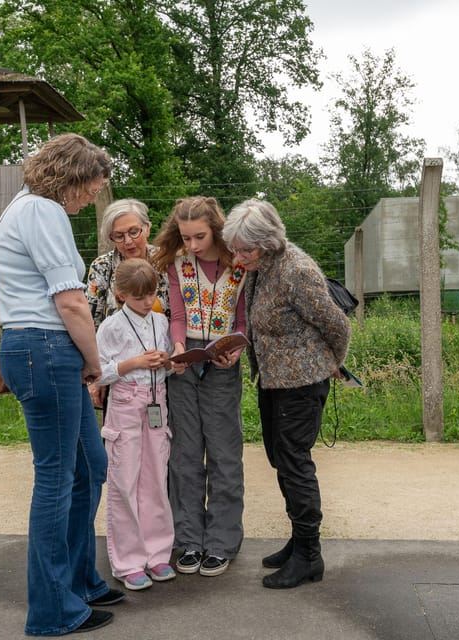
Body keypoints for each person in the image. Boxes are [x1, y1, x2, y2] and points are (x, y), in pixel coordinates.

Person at [0, 133, 121, 635]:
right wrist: (95, 362)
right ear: (70, 178)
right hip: (47, 348)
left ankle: (79, 582)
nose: (91, 199)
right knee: (57, 480)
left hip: (37, 346)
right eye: (90, 189)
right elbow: (70, 301)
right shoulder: (43, 213)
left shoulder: (23, 209)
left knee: (90, 467)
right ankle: (52, 610)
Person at [222, 198, 351, 590]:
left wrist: (332, 362)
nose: (239, 257)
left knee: (295, 462)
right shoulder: (264, 265)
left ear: (269, 241)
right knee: (281, 458)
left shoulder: (296, 270)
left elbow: (337, 325)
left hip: (301, 383)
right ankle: (298, 541)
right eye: (236, 249)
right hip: (274, 380)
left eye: (246, 249)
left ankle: (310, 555)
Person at [150, 196, 247, 578]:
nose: (191, 245)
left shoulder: (240, 263)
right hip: (185, 361)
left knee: (224, 454)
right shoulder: (178, 263)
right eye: (185, 237)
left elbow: (242, 317)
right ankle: (188, 539)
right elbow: (177, 313)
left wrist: (235, 347)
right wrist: (177, 347)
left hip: (223, 361)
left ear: (217, 229)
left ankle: (221, 541)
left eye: (199, 237)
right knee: (184, 454)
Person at [94, 258, 178, 591]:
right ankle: (128, 560)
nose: (147, 301)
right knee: (124, 480)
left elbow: (168, 362)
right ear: (120, 293)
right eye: (139, 296)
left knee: (156, 478)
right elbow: (98, 372)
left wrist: (171, 364)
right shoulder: (110, 326)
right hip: (126, 404)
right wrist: (134, 363)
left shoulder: (161, 321)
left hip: (157, 400)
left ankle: (157, 553)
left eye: (152, 294)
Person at [85, 199, 169, 410]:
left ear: (147, 228)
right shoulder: (102, 267)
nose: (128, 241)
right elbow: (91, 321)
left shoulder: (166, 261)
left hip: (162, 370)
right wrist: (95, 377)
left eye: (134, 232)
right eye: (119, 236)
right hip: (119, 375)